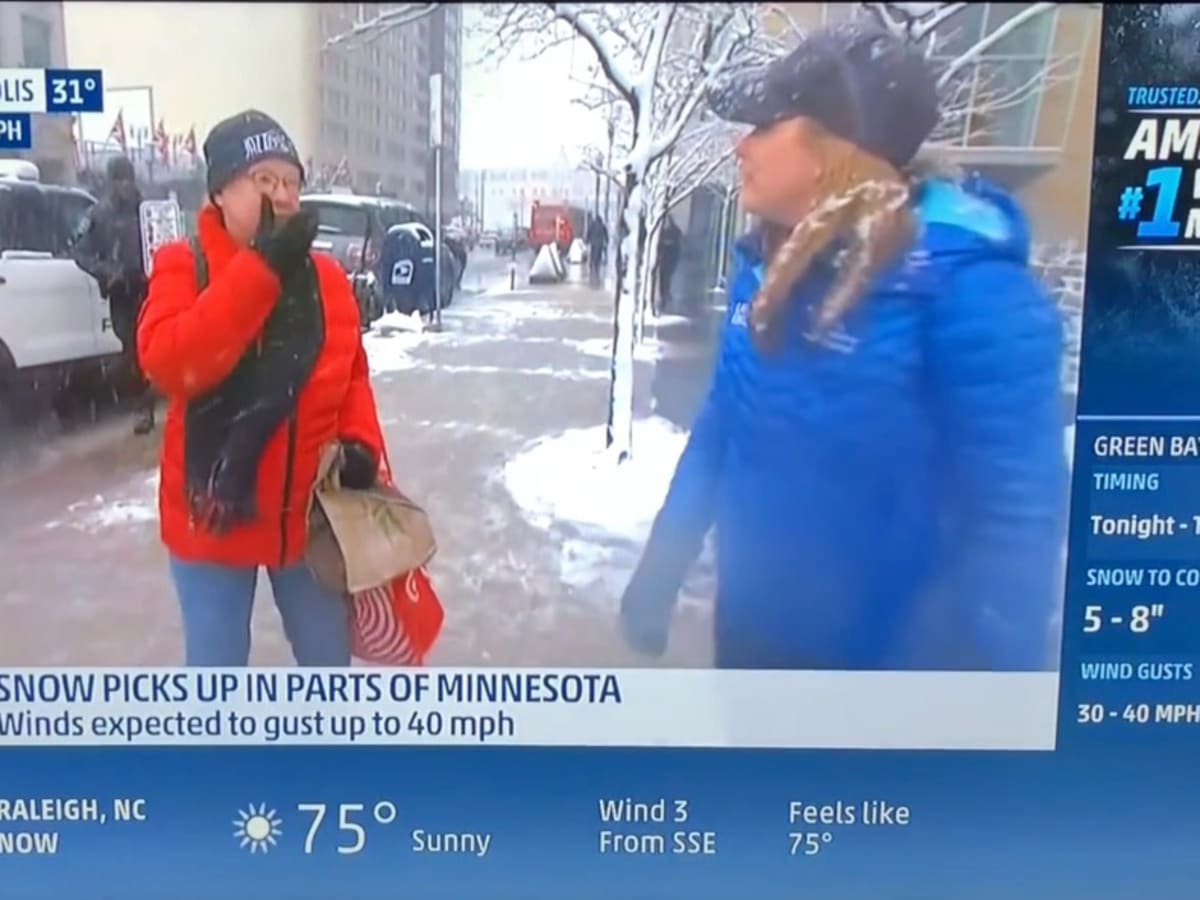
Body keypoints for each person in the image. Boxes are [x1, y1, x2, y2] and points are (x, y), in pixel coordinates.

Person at [618, 24, 1068, 672]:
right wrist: (662, 566)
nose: (739, 144)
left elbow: (1016, 518)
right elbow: (722, 429)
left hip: (887, 690)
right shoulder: (763, 270)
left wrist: (983, 712)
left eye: (764, 124)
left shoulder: (969, 292)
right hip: (748, 645)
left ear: (832, 149)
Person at [136, 110, 388, 667]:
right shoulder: (184, 265)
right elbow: (173, 363)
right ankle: (222, 759)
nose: (282, 196)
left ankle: (324, 758)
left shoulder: (324, 279)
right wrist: (262, 272)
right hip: (213, 514)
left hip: (308, 517)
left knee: (329, 668)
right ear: (221, 192)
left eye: (292, 182)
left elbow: (351, 375)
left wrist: (361, 443)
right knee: (217, 677)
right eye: (264, 181)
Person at [72, 155, 156, 435]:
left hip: (151, 288)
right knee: (133, 352)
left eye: (128, 179)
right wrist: (107, 271)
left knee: (152, 348)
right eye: (119, 179)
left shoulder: (148, 210)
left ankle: (152, 402)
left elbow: (167, 240)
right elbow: (81, 252)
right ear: (110, 182)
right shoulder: (98, 215)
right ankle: (142, 407)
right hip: (121, 293)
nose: (124, 186)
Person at [656, 216, 682, 309]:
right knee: (664, 278)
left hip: (668, 259)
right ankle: (665, 294)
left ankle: (665, 294)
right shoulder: (664, 232)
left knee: (666, 278)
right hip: (664, 259)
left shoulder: (673, 231)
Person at [587, 215, 608, 287]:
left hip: (593, 242)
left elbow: (588, 233)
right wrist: (607, 241)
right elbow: (606, 234)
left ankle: (592, 265)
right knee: (598, 256)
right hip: (600, 243)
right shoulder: (602, 225)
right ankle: (596, 267)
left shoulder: (592, 225)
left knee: (593, 254)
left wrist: (587, 240)